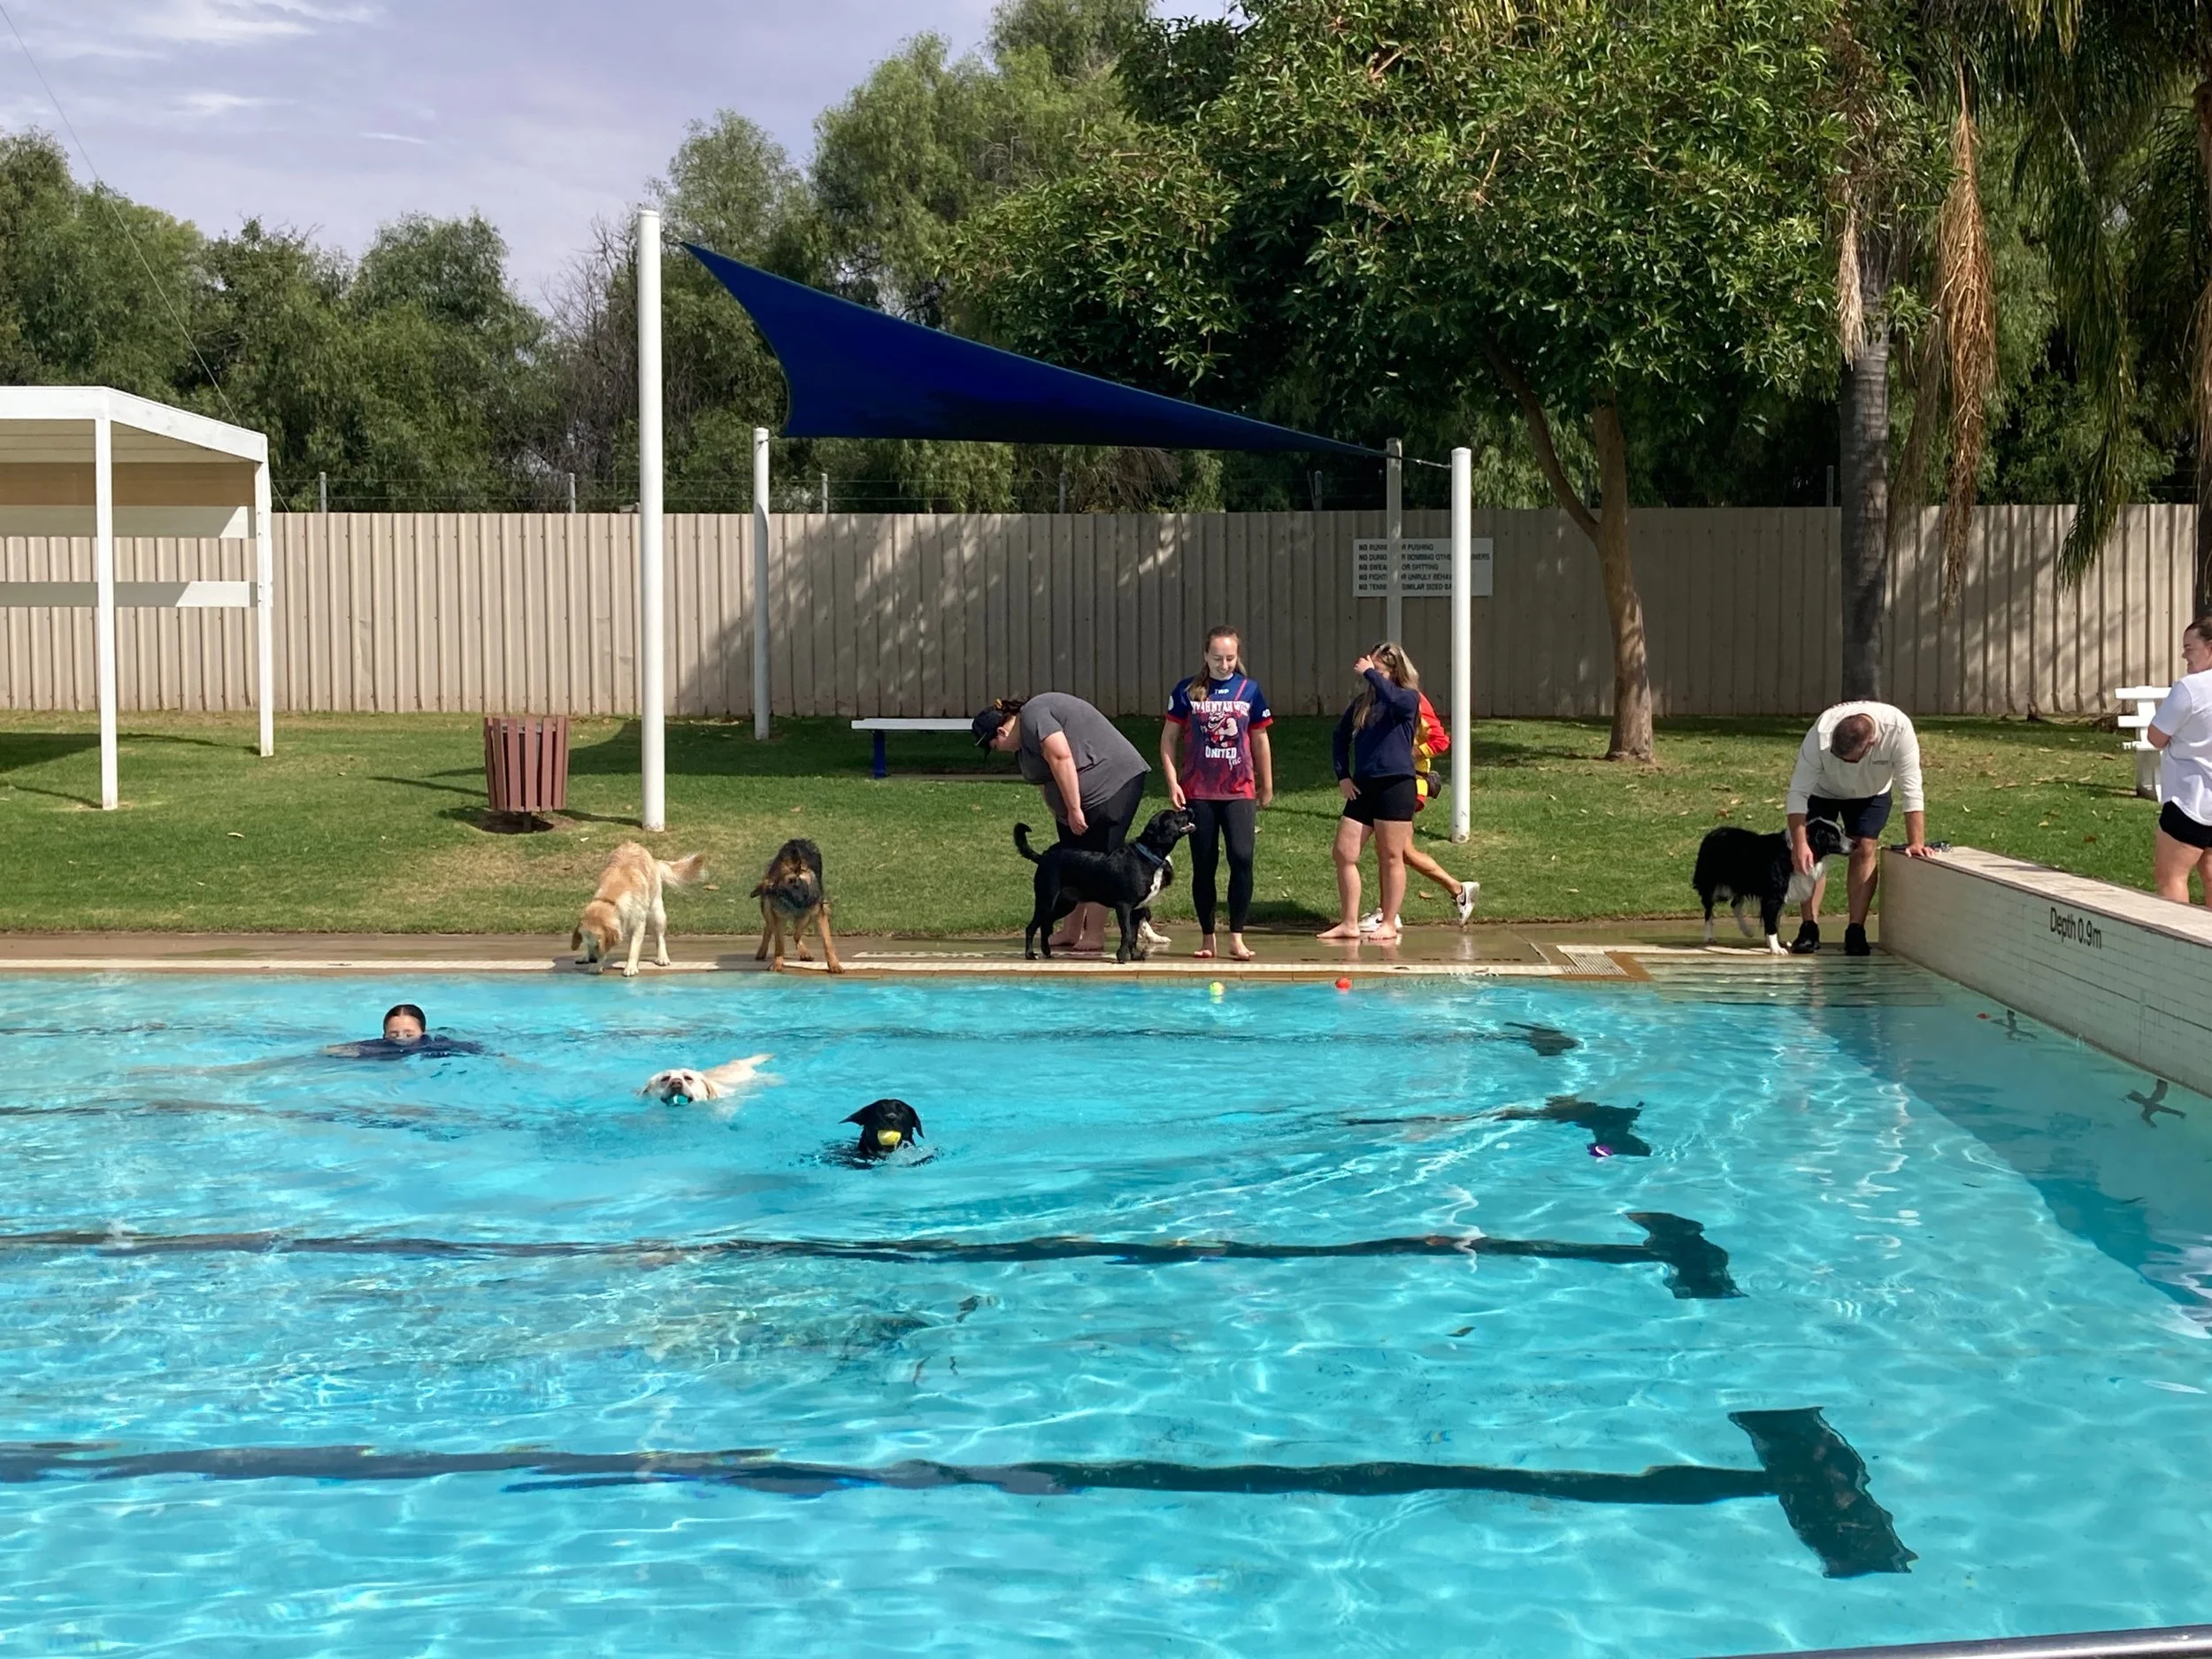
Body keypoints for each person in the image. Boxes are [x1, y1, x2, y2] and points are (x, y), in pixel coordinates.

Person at [974, 691, 1151, 953]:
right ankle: (1071, 930)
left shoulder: (1034, 715)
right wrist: (1062, 813)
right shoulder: (1024, 748)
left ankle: (1095, 934)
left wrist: (1074, 808)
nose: (999, 751)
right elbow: (1045, 781)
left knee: (1100, 859)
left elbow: (1061, 757)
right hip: (1077, 801)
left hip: (1114, 783)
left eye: (994, 746)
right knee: (1074, 862)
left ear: (1001, 732)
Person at [1785, 700, 1936, 956]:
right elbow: (1797, 792)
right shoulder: (1820, 732)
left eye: (1850, 760)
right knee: (1812, 851)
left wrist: (1916, 842)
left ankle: (1856, 930)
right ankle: (1809, 927)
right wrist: (1799, 844)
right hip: (1822, 791)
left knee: (1864, 848)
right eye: (1838, 758)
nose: (1845, 764)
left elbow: (1911, 787)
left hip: (1872, 793)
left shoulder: (1899, 729)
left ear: (1872, 744)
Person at [1161, 626, 1274, 961]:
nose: (1224, 665)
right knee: (1204, 863)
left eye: (1230, 658)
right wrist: (1173, 782)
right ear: (1205, 656)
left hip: (1239, 790)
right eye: (1217, 658)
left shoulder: (1249, 690)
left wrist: (1266, 784)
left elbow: (1260, 739)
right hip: (1199, 792)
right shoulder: (1187, 691)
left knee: (1242, 858)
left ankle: (1237, 936)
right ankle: (1207, 936)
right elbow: (1168, 739)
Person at [1319, 642, 1422, 942]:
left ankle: (1388, 922)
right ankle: (1349, 922)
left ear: (1394, 672)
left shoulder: (1408, 698)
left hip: (1395, 784)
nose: (1371, 676)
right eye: (1370, 670)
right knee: (1344, 852)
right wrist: (1343, 775)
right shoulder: (1363, 703)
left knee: (1391, 855)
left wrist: (1369, 673)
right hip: (1364, 785)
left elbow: (1394, 698)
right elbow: (1339, 738)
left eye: (1378, 671)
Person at [1360, 687, 1479, 932]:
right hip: (1390, 782)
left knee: (1393, 849)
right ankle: (1457, 891)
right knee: (1395, 850)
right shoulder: (1381, 698)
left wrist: (1406, 754)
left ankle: (1389, 912)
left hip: (1408, 783)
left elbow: (1440, 740)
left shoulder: (1412, 699)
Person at [2147, 615, 2212, 907]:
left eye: (2189, 648)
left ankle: (2174, 935)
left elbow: (2156, 736)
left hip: (2189, 800)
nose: (2184, 655)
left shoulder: (2189, 688)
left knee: (2171, 877)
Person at [326, 1002, 482, 1060]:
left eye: (409, 1034)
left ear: (423, 1032)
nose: (401, 1038)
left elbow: (476, 1049)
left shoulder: (438, 1045)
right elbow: (331, 1050)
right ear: (384, 1035)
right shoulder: (377, 1047)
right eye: (394, 1034)